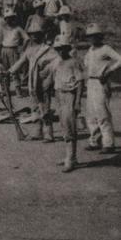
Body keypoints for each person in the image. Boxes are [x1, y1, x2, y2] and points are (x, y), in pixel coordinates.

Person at [42, 34, 85, 172]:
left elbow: (80, 82)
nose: (61, 51)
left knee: (69, 126)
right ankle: (70, 156)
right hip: (59, 95)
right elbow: (46, 71)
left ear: (68, 48)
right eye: (58, 49)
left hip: (70, 95)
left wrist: (78, 101)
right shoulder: (56, 61)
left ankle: (70, 159)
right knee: (63, 125)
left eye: (63, 48)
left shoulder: (74, 62)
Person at [8, 17, 54, 141]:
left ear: (42, 35)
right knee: (34, 107)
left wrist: (48, 77)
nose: (34, 37)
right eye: (32, 35)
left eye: (37, 35)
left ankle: (48, 133)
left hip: (44, 82)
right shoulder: (29, 50)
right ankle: (37, 132)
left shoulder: (48, 49)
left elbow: (55, 66)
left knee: (45, 108)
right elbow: (20, 62)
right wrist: (9, 71)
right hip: (32, 83)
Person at [83, 23, 121, 154]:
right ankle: (94, 141)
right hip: (90, 82)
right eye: (89, 36)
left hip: (101, 82)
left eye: (95, 36)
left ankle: (108, 143)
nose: (92, 39)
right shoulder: (90, 50)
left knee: (102, 113)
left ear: (100, 36)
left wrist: (109, 71)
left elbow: (120, 59)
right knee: (91, 114)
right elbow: (86, 66)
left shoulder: (106, 49)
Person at [0, 9, 28, 97]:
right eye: (7, 18)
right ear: (5, 19)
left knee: (15, 70)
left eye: (11, 18)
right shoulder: (2, 29)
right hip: (4, 50)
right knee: (4, 70)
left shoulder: (18, 28)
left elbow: (27, 38)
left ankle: (18, 90)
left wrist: (22, 48)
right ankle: (5, 89)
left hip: (14, 50)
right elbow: (0, 42)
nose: (9, 20)